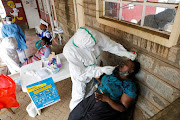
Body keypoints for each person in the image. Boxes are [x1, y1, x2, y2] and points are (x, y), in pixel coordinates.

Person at [63, 27, 137, 110]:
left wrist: (125, 53)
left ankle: (85, 110)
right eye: (89, 47)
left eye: (94, 45)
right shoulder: (69, 51)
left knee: (89, 91)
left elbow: (110, 45)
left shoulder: (93, 35)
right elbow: (82, 73)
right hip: (80, 74)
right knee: (79, 95)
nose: (94, 49)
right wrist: (101, 70)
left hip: (96, 76)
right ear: (82, 46)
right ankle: (75, 113)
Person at [68, 60, 140, 120]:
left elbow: (122, 108)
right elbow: (103, 81)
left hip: (105, 107)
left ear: (131, 71)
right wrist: (97, 76)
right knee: (74, 116)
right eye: (124, 62)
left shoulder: (129, 87)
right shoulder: (112, 72)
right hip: (93, 98)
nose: (123, 63)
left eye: (126, 64)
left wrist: (107, 99)